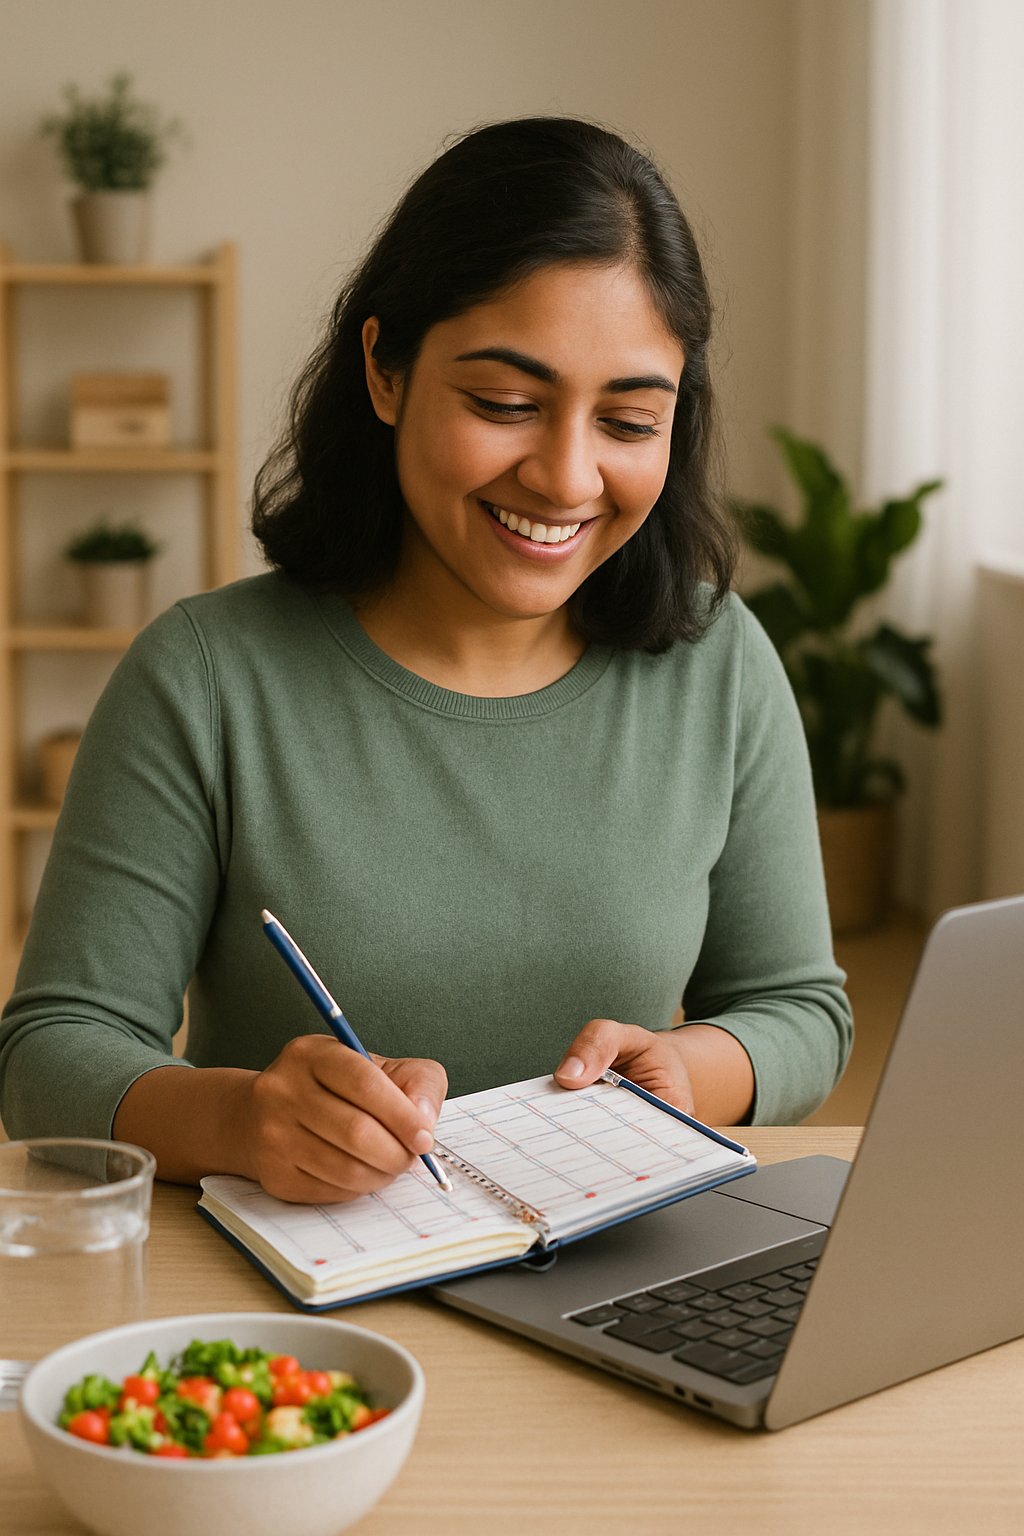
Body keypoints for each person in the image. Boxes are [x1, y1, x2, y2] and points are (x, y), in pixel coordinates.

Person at [0, 118, 851, 1205]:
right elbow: (51, 1051)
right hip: (305, 1304)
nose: (565, 476)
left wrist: (693, 1069)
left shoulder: (717, 661)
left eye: (630, 420)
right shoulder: (204, 677)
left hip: (615, 1282)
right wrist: (240, 1119)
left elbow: (799, 1011)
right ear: (385, 369)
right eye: (505, 404)